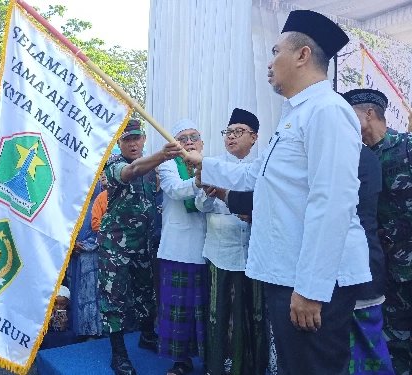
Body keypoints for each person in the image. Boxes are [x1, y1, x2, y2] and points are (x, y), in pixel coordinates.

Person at [184, 10, 371, 375]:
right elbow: (259, 175)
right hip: (287, 273)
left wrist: (311, 289)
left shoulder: (327, 112)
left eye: (275, 52)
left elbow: (332, 203)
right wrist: (204, 163)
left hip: (311, 282)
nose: (269, 64)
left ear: (302, 55)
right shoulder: (293, 116)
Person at [98, 119, 183, 375]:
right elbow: (130, 172)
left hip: (142, 244)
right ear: (119, 143)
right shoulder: (114, 163)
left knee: (146, 293)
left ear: (144, 138)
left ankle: (147, 336)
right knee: (114, 299)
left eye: (136, 138)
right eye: (127, 139)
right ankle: (119, 355)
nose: (133, 143)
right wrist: (161, 155)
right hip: (115, 245)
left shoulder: (151, 168)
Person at [342, 88, 412, 374]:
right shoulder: (353, 158)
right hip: (387, 274)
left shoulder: (411, 147)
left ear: (369, 114)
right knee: (395, 343)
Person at [195, 109, 268, 375]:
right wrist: (208, 193)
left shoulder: (262, 167)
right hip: (221, 251)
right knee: (220, 313)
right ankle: (220, 368)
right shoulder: (212, 164)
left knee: (255, 314)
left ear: (254, 137)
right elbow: (201, 206)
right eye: (228, 132)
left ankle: (253, 368)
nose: (232, 137)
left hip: (254, 254)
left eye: (239, 132)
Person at [157, 119, 208, 375]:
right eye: (183, 138)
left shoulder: (212, 165)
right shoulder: (167, 166)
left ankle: (209, 359)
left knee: (203, 312)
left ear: (202, 142)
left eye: (193, 136)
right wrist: (201, 180)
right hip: (177, 250)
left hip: (209, 250)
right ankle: (180, 362)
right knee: (178, 312)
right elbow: (176, 191)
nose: (189, 141)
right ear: (175, 145)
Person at [67, 181, 103, 340]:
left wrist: (89, 244)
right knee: (75, 290)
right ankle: (78, 330)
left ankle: (93, 331)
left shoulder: (103, 198)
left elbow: (106, 224)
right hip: (73, 253)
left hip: (94, 253)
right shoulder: (69, 203)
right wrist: (70, 243)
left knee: (92, 292)